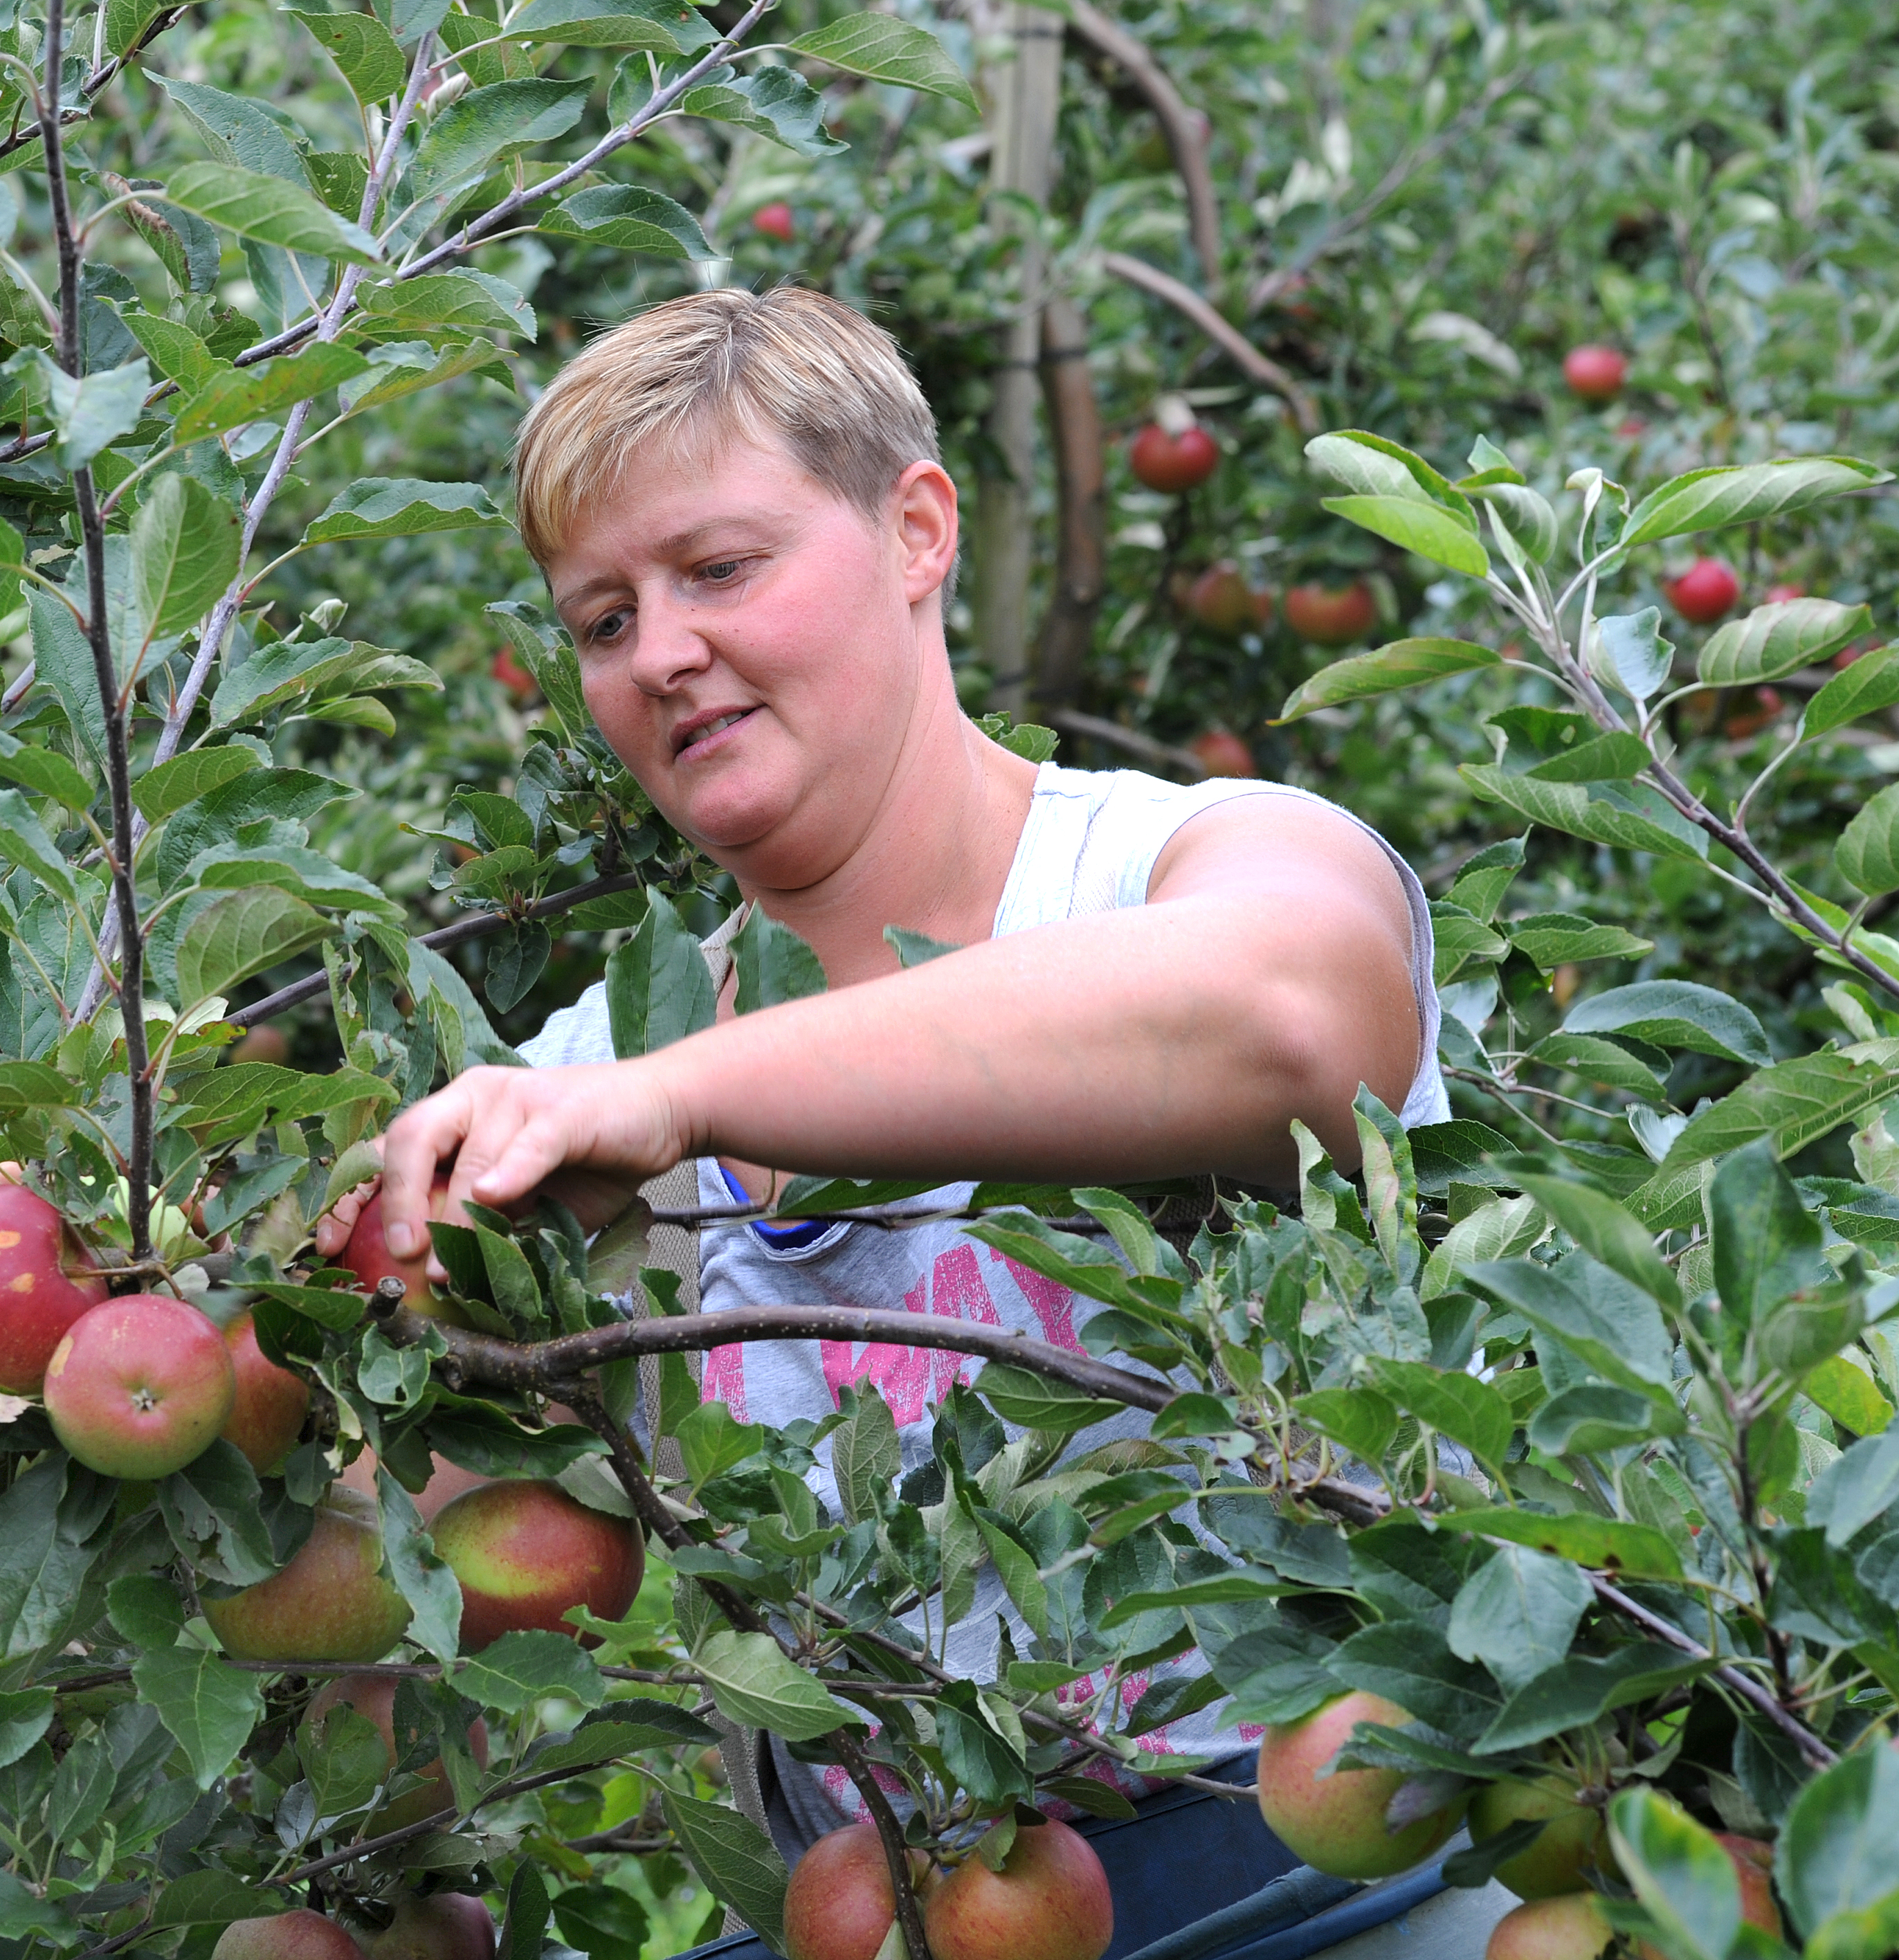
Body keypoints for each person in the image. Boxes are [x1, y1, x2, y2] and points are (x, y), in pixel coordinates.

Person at [320, 289, 1510, 1960]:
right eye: (602, 619)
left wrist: (685, 1097)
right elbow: (395, 1561)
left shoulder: (1180, 862)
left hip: (1329, 1883)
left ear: (915, 531)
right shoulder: (584, 1076)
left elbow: (1295, 1021)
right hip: (892, 1917)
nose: (659, 651)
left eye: (718, 570)